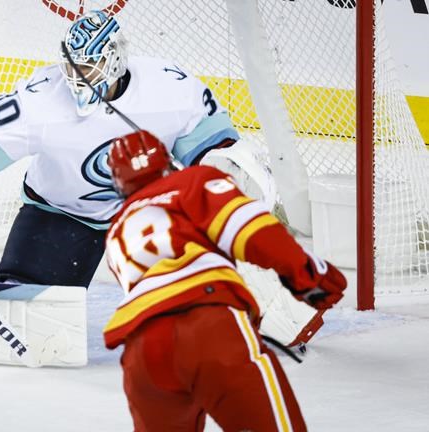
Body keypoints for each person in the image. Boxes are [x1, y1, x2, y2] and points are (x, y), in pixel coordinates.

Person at [0, 10, 239, 287]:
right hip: (61, 212)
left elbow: (217, 150)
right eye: (71, 66)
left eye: (88, 67)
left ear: (114, 61)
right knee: (30, 310)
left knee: (198, 299)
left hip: (146, 213)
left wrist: (229, 195)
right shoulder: (42, 100)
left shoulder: (168, 87)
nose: (75, 76)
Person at [103, 130, 347, 431]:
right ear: (167, 162)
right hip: (208, 326)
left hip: (141, 353)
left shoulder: (116, 231)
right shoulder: (193, 180)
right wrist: (309, 275)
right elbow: (251, 230)